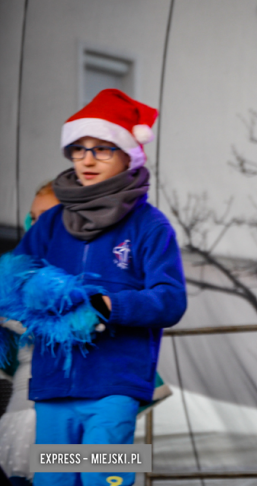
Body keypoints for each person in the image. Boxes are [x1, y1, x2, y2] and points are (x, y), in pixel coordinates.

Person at [13, 88, 187, 486]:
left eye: (103, 148)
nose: (87, 159)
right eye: (79, 149)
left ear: (130, 155)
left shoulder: (150, 225)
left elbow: (172, 299)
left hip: (115, 386)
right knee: (53, 483)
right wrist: (36, 294)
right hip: (54, 386)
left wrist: (111, 304)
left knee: (103, 479)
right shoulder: (51, 223)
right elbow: (15, 283)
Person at [0, 181, 57, 486]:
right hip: (26, 410)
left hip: (69, 409)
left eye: (46, 216)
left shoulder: (86, 272)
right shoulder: (15, 273)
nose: (36, 226)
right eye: (33, 218)